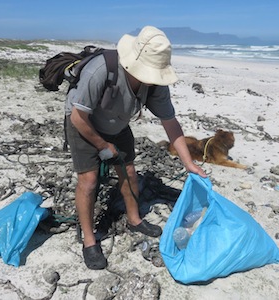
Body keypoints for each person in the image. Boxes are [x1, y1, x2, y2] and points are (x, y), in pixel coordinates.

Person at [65, 25, 206, 270]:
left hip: (117, 124)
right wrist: (102, 145)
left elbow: (170, 123)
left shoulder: (155, 84)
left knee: (129, 172)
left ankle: (134, 219)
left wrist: (189, 163)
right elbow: (78, 118)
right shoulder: (100, 70)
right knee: (88, 181)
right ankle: (89, 241)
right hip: (83, 123)